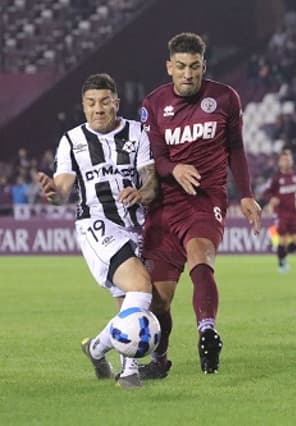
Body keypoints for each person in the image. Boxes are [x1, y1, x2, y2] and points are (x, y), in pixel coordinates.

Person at [139, 32, 262, 378]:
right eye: (181, 66)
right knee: (158, 300)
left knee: (200, 255)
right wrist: (173, 169)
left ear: (204, 66)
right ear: (169, 67)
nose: (188, 74)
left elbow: (236, 149)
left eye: (194, 66)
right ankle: (160, 360)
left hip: (206, 200)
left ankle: (207, 331)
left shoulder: (225, 98)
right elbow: (156, 158)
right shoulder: (152, 104)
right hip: (164, 205)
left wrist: (247, 194)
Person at [37, 73, 159, 388]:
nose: (98, 109)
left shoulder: (137, 133)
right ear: (84, 106)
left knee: (130, 299)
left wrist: (141, 193)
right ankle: (129, 372)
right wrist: (54, 194)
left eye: (105, 102)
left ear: (116, 102)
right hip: (96, 225)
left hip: (135, 226)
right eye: (91, 103)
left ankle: (97, 350)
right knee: (141, 286)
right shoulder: (72, 141)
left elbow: (151, 181)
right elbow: (63, 188)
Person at [265, 148, 296, 272]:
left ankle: (281, 252)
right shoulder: (276, 178)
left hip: (293, 212)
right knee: (282, 239)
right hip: (280, 213)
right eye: (284, 160)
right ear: (279, 162)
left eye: (289, 159)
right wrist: (272, 198)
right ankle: (281, 264)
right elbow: (267, 192)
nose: (287, 162)